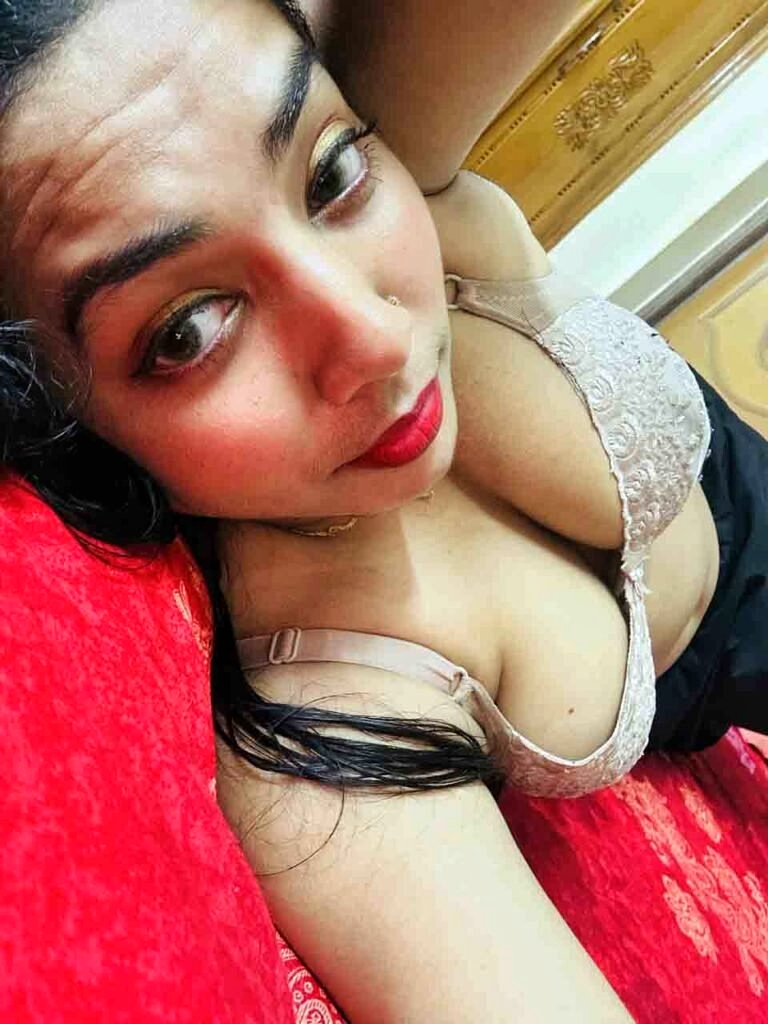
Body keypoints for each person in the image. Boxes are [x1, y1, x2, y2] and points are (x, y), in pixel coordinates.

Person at [1, 0, 766, 1020]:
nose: (374, 336)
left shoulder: (395, 143)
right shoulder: (332, 714)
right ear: (66, 424)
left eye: (329, 176)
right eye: (189, 330)